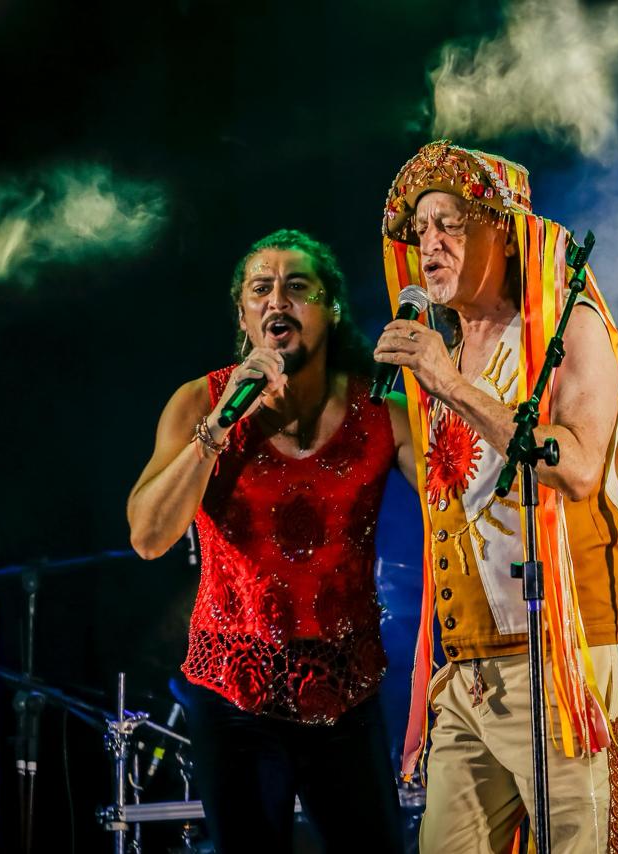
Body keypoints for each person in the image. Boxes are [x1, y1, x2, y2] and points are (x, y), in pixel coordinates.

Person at [373, 141, 618, 854]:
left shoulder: (569, 329)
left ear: (504, 234)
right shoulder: (442, 355)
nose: (429, 244)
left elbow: (579, 467)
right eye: (420, 230)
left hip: (565, 664)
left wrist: (450, 385)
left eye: (450, 223)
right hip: (467, 675)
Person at [127, 229, 414, 854]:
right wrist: (219, 425)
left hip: (346, 693)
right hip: (233, 697)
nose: (277, 299)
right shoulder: (199, 402)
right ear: (244, 315)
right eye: (261, 288)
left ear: (331, 308)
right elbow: (148, 536)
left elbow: (464, 498)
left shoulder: (381, 412)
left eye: (297, 286)